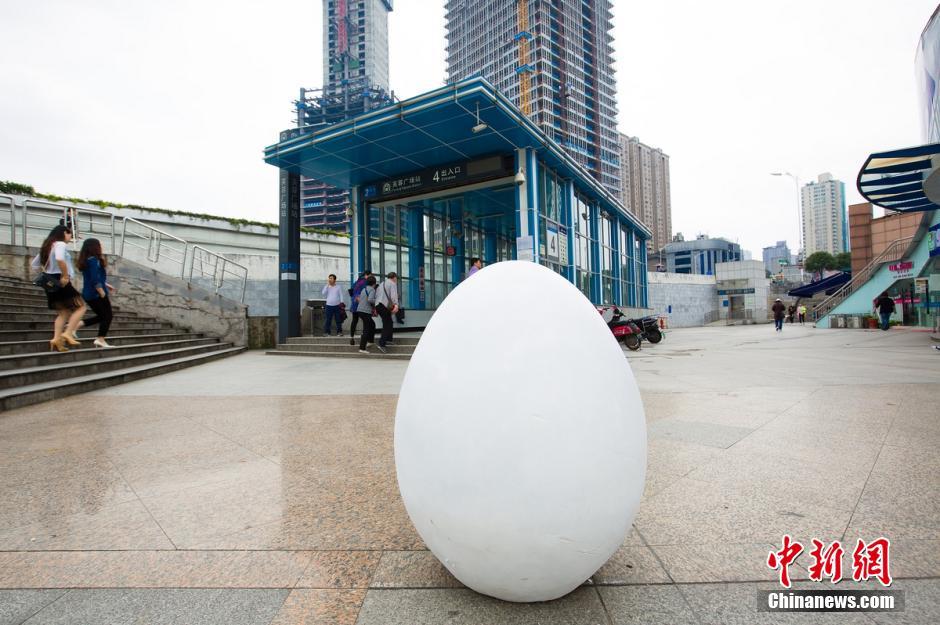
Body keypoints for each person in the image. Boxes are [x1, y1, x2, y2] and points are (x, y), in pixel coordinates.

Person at [31, 225, 86, 352]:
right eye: (69, 234)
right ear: (63, 233)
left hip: (50, 281)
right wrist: (65, 275)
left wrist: (49, 270)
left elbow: (34, 265)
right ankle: (68, 332)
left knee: (63, 313)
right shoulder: (60, 244)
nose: (70, 237)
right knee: (81, 306)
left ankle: (56, 339)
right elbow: (60, 259)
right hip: (60, 279)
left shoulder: (47, 246)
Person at [77, 238, 115, 348]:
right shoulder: (93, 260)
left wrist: (106, 285)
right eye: (99, 245)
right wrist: (101, 291)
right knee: (107, 316)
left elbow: (92, 277)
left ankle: (77, 324)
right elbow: (94, 279)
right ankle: (100, 339)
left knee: (102, 316)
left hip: (89, 293)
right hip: (96, 293)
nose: (101, 247)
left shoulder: (86, 260)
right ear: (95, 247)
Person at [374, 271, 399, 353]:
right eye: (396, 278)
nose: (396, 280)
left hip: (378, 305)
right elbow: (393, 295)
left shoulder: (381, 284)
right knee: (387, 324)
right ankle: (381, 344)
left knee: (389, 322)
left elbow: (376, 295)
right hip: (384, 306)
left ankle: (389, 339)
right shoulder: (392, 283)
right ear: (394, 277)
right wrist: (396, 305)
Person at [348, 270, 372, 345]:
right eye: (370, 275)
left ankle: (352, 337)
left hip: (354, 305)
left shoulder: (356, 282)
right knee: (367, 322)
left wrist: (354, 298)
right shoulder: (365, 282)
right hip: (361, 305)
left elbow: (351, 292)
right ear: (367, 275)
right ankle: (367, 339)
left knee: (354, 320)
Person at [356, 275, 377, 354]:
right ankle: (362, 348)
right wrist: (377, 300)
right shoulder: (372, 290)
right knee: (366, 329)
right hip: (365, 311)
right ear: (374, 283)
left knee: (372, 324)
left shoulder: (363, 289)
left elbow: (361, 299)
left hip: (360, 310)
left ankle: (370, 341)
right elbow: (370, 300)